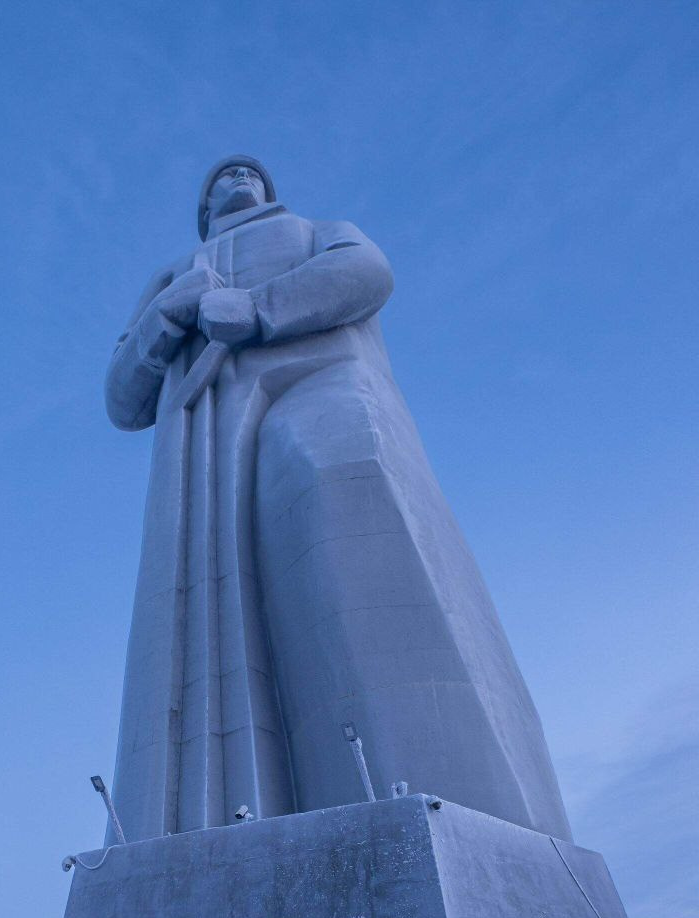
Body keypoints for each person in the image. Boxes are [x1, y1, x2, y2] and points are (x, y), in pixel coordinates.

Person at [104, 155, 572, 845]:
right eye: (218, 178)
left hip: (317, 379)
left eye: (248, 171)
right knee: (203, 614)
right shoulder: (173, 274)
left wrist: (260, 308)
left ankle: (451, 808)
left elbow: (366, 273)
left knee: (343, 498)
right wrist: (166, 320)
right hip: (201, 442)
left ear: (269, 189)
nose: (235, 178)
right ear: (204, 211)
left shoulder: (313, 230)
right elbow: (122, 398)